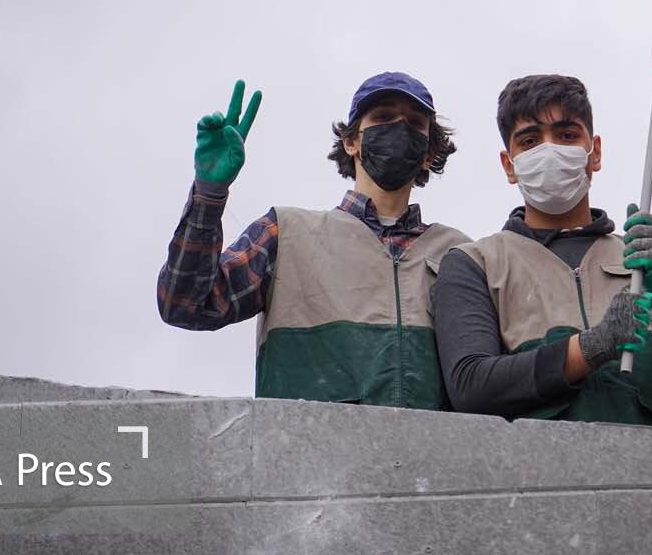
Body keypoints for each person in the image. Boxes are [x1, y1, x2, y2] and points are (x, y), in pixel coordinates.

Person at [431, 73, 652, 428]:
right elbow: (470, 388)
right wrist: (591, 346)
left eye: (567, 135)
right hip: (538, 464)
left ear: (595, 152)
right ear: (509, 165)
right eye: (529, 141)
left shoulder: (647, 259)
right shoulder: (475, 265)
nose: (550, 150)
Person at [158, 72, 469, 409]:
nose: (399, 129)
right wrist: (209, 194)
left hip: (431, 444)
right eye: (382, 117)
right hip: (307, 442)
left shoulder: (460, 254)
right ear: (351, 142)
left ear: (428, 153)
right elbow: (184, 305)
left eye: (414, 123)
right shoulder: (286, 233)